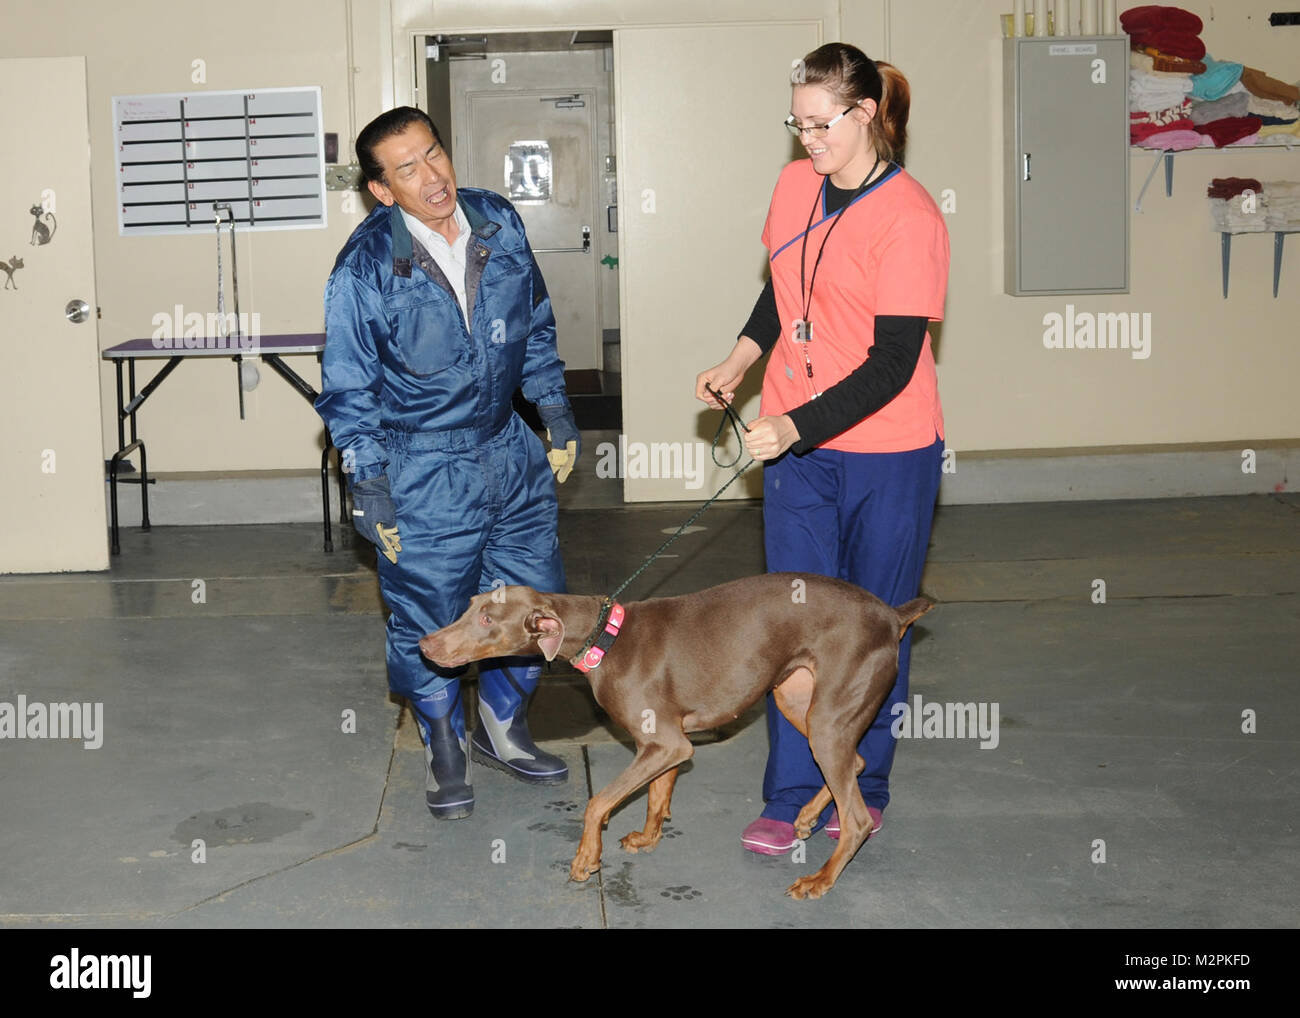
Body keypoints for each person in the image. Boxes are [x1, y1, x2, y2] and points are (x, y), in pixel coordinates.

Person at [695, 43, 949, 854]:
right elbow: (781, 286)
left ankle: (859, 789)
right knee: (788, 626)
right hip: (799, 452)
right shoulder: (794, 185)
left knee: (869, 629)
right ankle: (792, 791)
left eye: (821, 123)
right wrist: (739, 360)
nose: (807, 140)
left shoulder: (910, 217)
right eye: (796, 123)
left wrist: (796, 424)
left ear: (866, 114)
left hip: (887, 452)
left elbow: (893, 363)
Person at [317, 107, 581, 820]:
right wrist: (369, 483)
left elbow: (534, 321)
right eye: (407, 169)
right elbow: (348, 387)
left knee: (532, 602)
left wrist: (552, 408)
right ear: (381, 189)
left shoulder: (497, 220)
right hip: (422, 468)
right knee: (430, 616)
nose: (432, 176)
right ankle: (443, 740)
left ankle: (503, 725)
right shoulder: (363, 268)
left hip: (508, 450)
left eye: (434, 154)